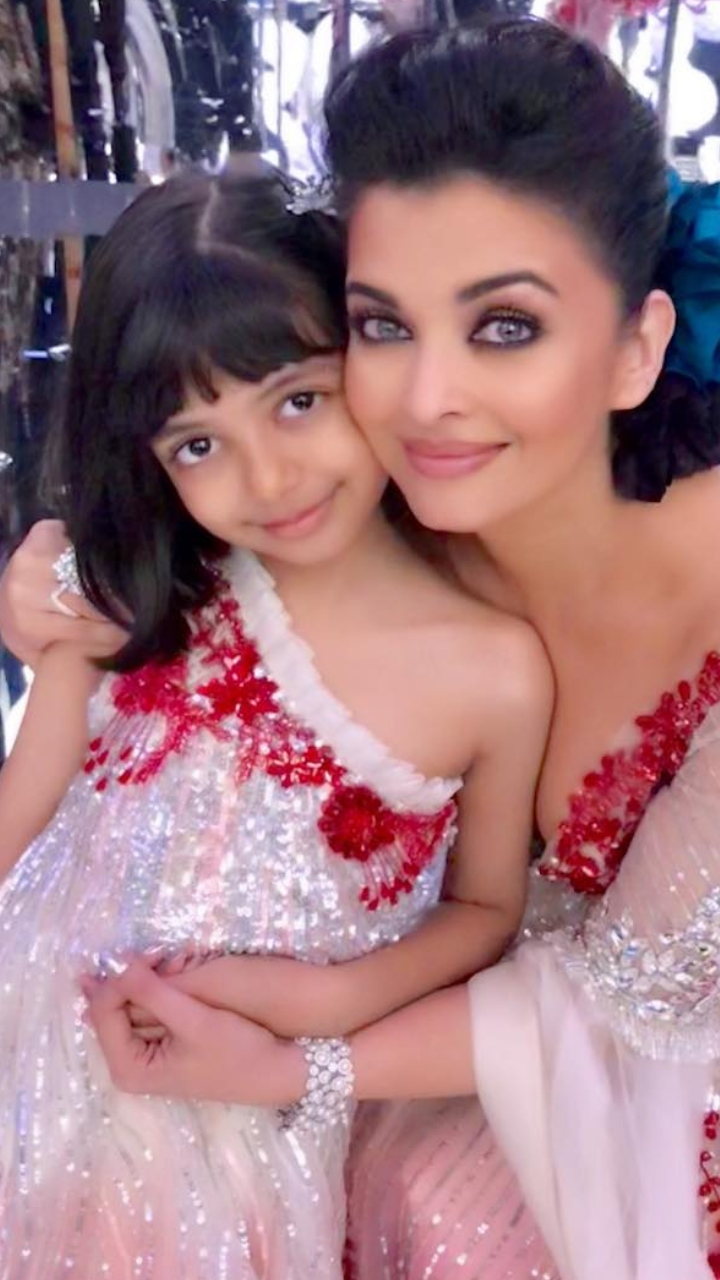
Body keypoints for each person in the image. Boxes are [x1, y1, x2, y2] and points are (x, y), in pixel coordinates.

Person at [22, 18, 720, 1280]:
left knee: (436, 1208)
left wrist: (307, 1058)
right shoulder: (350, 524)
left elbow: (638, 989)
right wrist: (52, 576)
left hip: (650, 1085)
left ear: (637, 345)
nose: (424, 397)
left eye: (504, 326)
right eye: (384, 327)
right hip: (419, 1054)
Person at [0, 160, 552, 1278]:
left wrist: (333, 999)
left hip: (247, 1113)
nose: (267, 476)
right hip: (43, 1057)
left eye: (298, 400)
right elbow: (24, 810)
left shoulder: (497, 671)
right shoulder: (146, 595)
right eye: (197, 444)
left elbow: (487, 905)